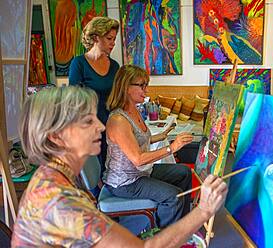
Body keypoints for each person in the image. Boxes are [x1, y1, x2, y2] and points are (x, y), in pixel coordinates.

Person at [11, 86, 228, 247]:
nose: (100, 126)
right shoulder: (60, 201)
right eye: (87, 122)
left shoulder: (51, 176)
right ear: (56, 137)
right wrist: (204, 210)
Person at [103, 65, 193, 228]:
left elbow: (137, 140)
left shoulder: (134, 111)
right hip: (125, 182)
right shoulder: (118, 120)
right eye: (142, 85)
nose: (146, 89)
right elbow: (138, 159)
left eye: (146, 84)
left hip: (140, 173)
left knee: (184, 172)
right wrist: (171, 148)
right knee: (174, 196)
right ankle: (164, 237)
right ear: (126, 87)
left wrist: (162, 136)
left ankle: (182, 224)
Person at [69, 16, 120, 169]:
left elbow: (117, 97)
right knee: (93, 174)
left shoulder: (115, 66)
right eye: (109, 38)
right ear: (96, 37)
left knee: (110, 169)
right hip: (89, 125)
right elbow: (73, 100)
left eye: (114, 38)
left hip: (111, 124)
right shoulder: (79, 63)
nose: (113, 43)